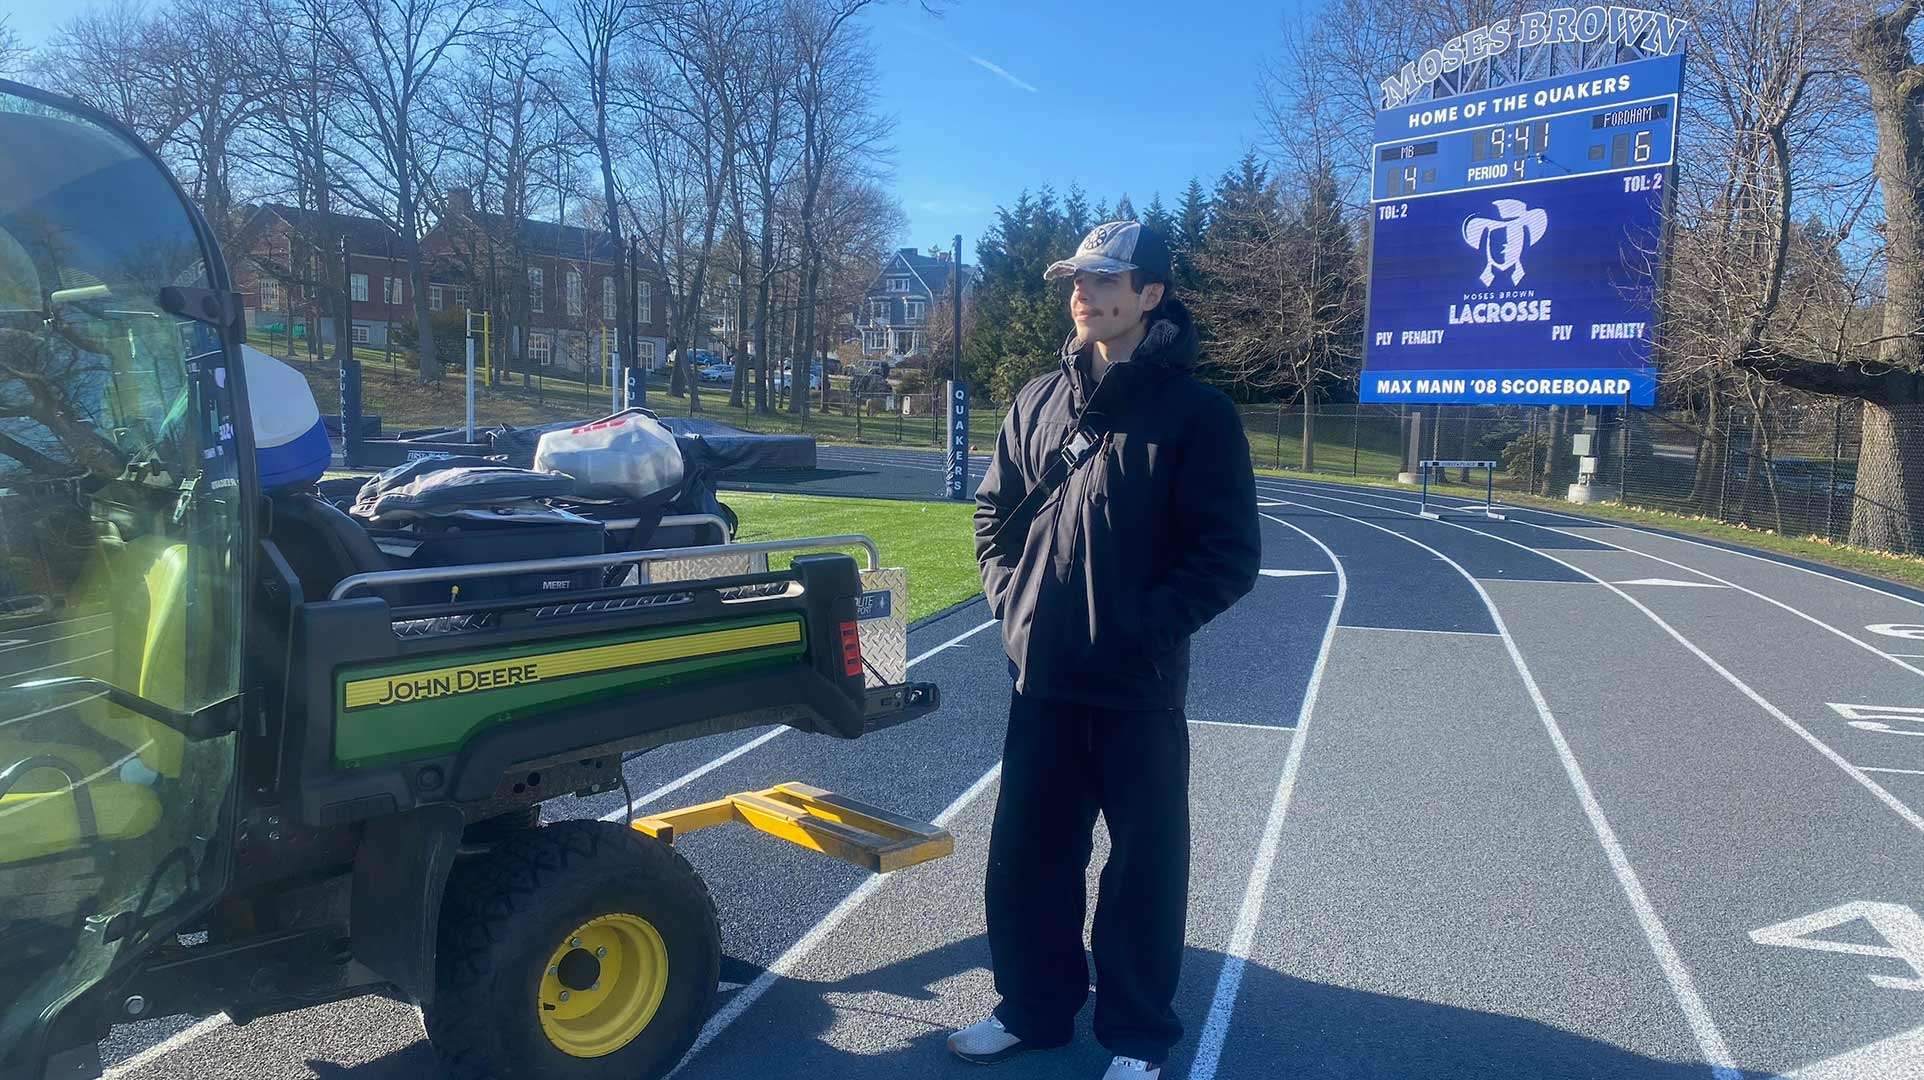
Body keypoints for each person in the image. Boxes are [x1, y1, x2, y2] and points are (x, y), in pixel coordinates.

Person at [952, 221, 1261, 1079]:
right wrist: (1015, 609)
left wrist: (1139, 630)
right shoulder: (1037, 399)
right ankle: (1034, 1009)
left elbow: (1228, 557)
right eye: (1076, 280)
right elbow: (993, 518)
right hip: (1042, 680)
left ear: (1152, 294)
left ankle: (1134, 1037)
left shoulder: (1198, 415)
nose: (1082, 294)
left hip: (1136, 689)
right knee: (1028, 862)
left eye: (1104, 279)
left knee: (1142, 873)